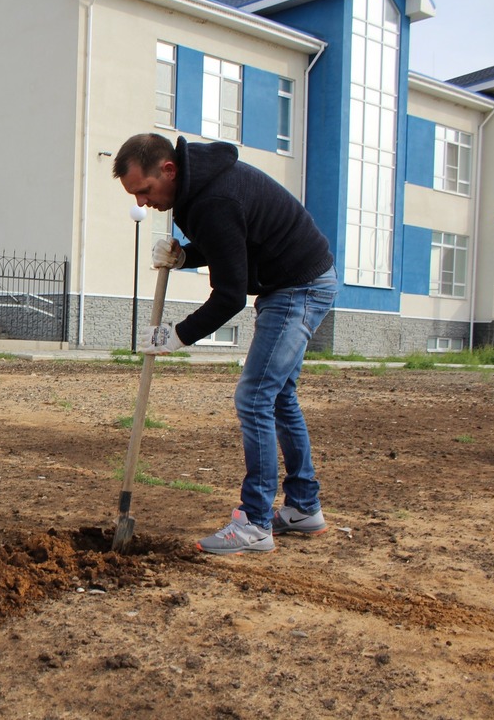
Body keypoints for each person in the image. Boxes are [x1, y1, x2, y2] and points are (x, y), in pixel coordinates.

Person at [112, 133, 337, 555]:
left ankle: (254, 523)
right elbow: (231, 244)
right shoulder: (202, 188)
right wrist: (186, 258)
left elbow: (230, 294)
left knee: (255, 397)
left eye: (145, 191)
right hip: (296, 281)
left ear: (169, 169)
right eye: (134, 196)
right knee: (279, 397)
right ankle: (304, 508)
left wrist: (176, 336)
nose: (143, 202)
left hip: (298, 287)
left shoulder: (214, 199)